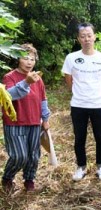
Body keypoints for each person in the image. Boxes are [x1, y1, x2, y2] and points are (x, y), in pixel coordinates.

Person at [62, 22, 101, 181]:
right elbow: (68, 79)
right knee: (79, 137)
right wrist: (79, 92)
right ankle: (81, 167)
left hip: (99, 104)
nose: (86, 39)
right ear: (78, 39)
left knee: (100, 137)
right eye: (83, 36)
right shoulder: (72, 58)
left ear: (95, 37)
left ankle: (100, 167)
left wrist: (97, 93)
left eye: (89, 35)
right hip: (78, 104)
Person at [1, 43, 51, 193]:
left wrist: (46, 118)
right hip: (14, 122)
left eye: (32, 59)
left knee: (33, 155)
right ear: (17, 59)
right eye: (25, 58)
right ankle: (7, 177)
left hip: (35, 122)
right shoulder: (9, 77)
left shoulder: (38, 78)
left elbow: (43, 99)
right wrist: (26, 82)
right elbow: (9, 96)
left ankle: (29, 180)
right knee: (19, 156)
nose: (29, 62)